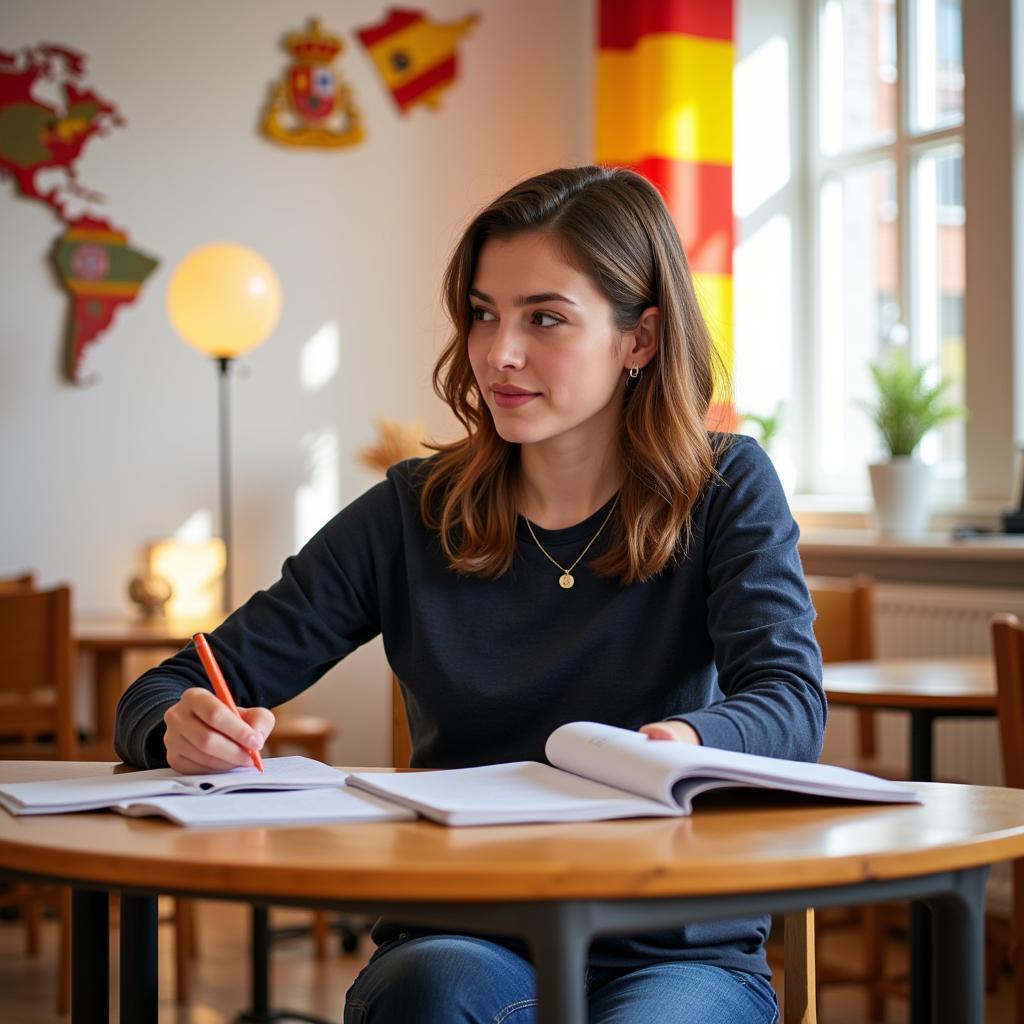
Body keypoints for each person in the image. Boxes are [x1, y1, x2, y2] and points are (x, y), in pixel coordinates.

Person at [115, 165, 824, 1024]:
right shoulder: (413, 511)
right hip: (461, 931)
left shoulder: (725, 487)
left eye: (545, 319)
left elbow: (789, 702)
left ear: (639, 339)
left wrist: (683, 740)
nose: (499, 353)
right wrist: (175, 728)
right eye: (484, 314)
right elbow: (165, 686)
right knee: (435, 994)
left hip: (677, 942)